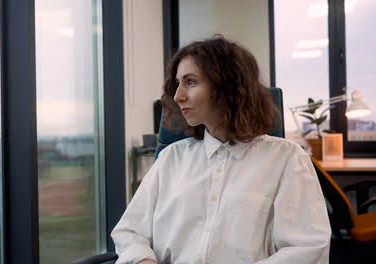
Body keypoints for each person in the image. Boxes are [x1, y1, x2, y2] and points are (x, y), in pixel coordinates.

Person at [111, 35, 331, 264]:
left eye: (191, 82)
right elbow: (129, 232)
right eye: (177, 83)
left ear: (227, 86)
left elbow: (306, 249)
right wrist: (143, 260)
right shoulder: (171, 158)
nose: (178, 96)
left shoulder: (286, 159)